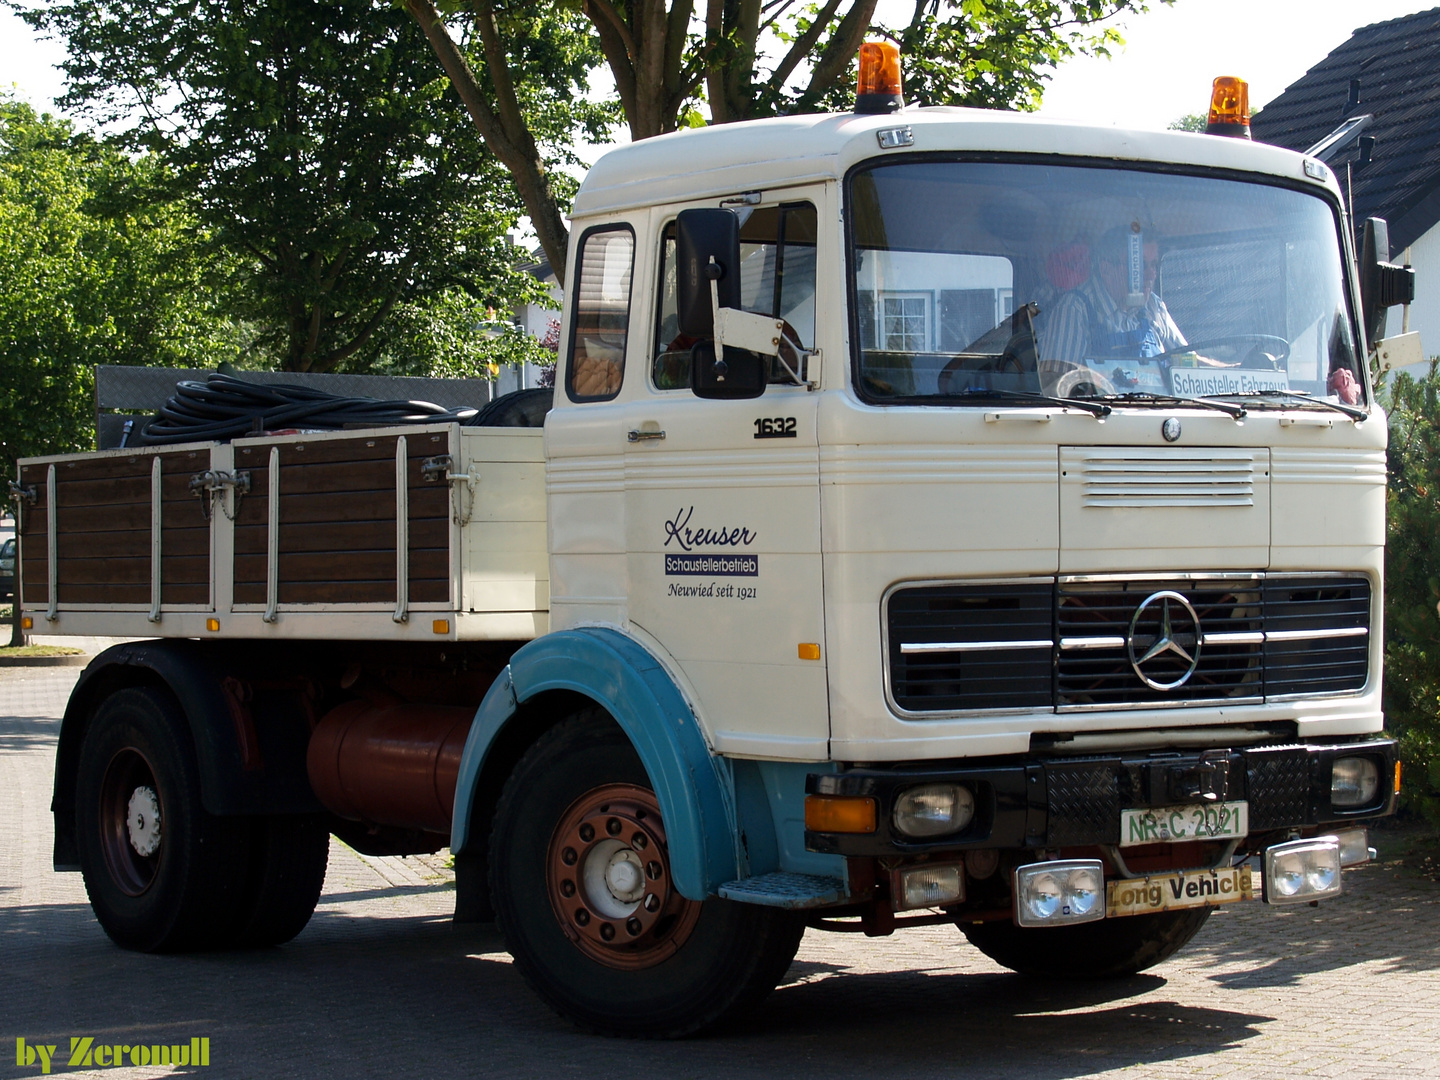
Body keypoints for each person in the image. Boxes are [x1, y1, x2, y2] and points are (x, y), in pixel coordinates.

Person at [1039, 225, 1188, 383]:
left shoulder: (1153, 306)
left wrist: (1217, 373)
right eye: (1139, 266)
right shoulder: (1074, 309)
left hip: (1161, 407)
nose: (1151, 274)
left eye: (1154, 265)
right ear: (1106, 269)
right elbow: (1056, 386)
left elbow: (1189, 362)